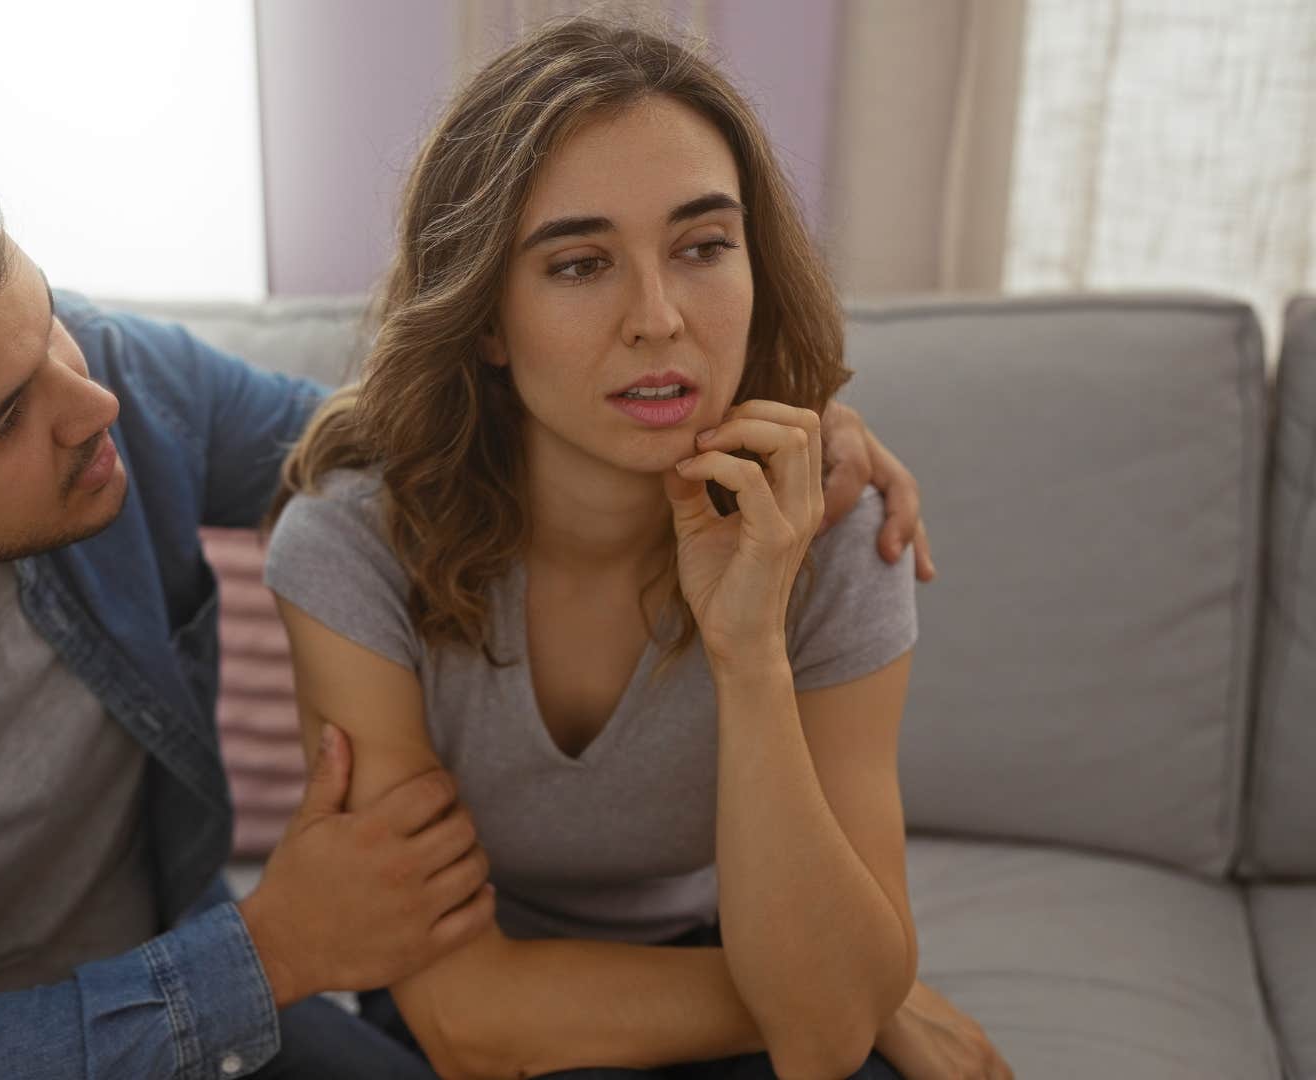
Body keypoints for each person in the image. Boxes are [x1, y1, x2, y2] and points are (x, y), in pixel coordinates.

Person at [0, 134, 934, 1079]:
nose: (91, 400)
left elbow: (427, 445)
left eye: (48, 317)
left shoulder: (114, 391)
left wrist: (750, 432)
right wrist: (274, 953)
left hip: (198, 1021)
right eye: (4, 418)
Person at [265, 18, 1009, 1080]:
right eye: (579, 265)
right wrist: (835, 995)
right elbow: (470, 1018)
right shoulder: (353, 546)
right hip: (453, 1005)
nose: (659, 318)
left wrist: (749, 645)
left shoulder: (834, 524)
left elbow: (828, 1038)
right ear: (484, 317)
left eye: (704, 247)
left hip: (711, 944)